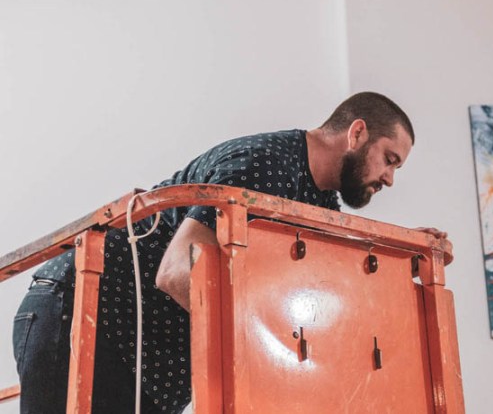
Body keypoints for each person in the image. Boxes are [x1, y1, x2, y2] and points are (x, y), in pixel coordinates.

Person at [12, 91, 445, 413]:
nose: (389, 179)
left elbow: (331, 295)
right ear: (357, 133)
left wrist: (401, 254)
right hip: (85, 316)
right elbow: (178, 273)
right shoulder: (264, 163)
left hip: (147, 360)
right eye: (390, 159)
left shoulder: (320, 206)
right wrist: (267, 350)